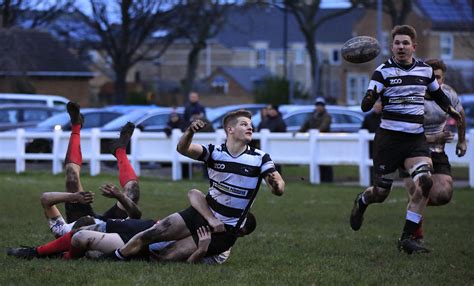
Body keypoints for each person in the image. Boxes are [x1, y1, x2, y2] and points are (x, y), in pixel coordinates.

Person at [107, 109, 285, 261]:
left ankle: (130, 254)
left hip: (225, 231)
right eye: (244, 124)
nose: (250, 127)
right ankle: (113, 257)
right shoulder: (214, 152)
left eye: (250, 124)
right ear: (230, 129)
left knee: (166, 256)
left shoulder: (260, 157)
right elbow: (183, 149)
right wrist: (190, 131)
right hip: (200, 214)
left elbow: (278, 186)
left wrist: (276, 185)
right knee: (151, 233)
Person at [349, 25, 462, 254]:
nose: (401, 47)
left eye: (405, 43)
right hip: (389, 141)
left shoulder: (424, 71)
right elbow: (365, 106)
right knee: (381, 193)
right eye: (397, 43)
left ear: (414, 46)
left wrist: (450, 109)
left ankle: (407, 238)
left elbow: (438, 95)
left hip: (414, 141)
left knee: (425, 183)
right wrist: (370, 96)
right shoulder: (382, 72)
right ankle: (362, 201)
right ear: (392, 47)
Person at [7, 189, 256, 264]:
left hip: (139, 245)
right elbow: (193, 193)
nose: (229, 222)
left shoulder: (221, 249)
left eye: (237, 225)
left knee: (80, 236)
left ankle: (45, 254)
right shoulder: (208, 215)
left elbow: (183, 263)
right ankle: (47, 252)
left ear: (241, 234)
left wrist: (201, 249)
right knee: (87, 227)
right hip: (140, 227)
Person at [401, 58, 466, 244]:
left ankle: (414, 208)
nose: (436, 82)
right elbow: (405, 132)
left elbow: (460, 114)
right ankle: (414, 235)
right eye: (431, 77)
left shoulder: (448, 94)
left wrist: (462, 141)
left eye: (439, 78)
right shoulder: (413, 98)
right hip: (411, 151)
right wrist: (432, 138)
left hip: (437, 151)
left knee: (443, 195)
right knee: (418, 188)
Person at [299, 97, 333, 182]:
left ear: (324, 106)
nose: (319, 107)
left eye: (321, 105)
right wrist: (298, 132)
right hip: (315, 143)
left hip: (324, 142)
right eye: (317, 105)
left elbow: (324, 126)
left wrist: (316, 132)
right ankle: (320, 178)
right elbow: (305, 125)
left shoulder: (327, 116)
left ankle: (328, 179)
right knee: (317, 161)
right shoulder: (312, 115)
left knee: (326, 162)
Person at [360, 100, 382, 184]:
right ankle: (371, 181)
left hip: (382, 145)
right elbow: (362, 129)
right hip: (371, 145)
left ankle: (381, 182)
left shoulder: (385, 117)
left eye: (379, 105)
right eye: (375, 105)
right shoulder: (368, 117)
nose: (377, 107)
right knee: (371, 163)